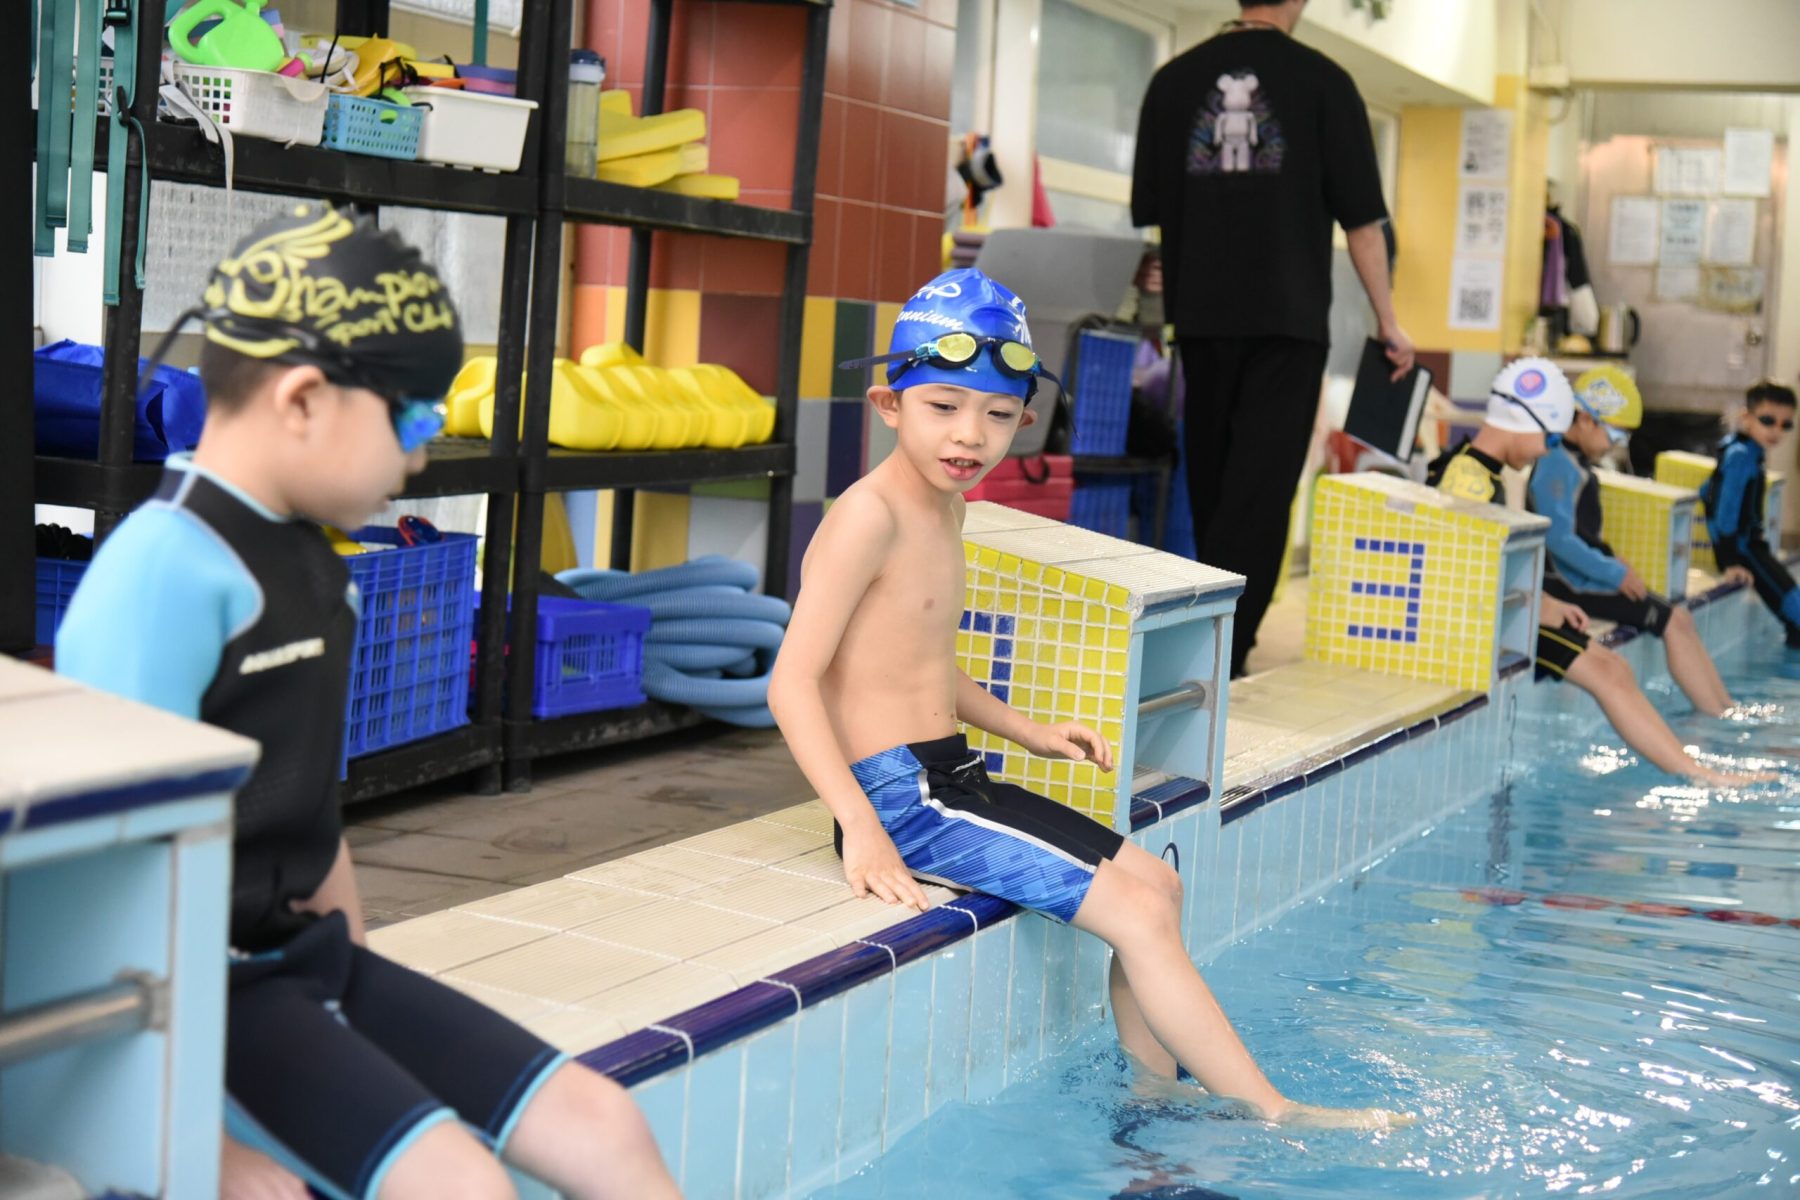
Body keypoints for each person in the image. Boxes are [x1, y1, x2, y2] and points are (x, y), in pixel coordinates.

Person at [57, 205, 680, 1200]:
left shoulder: (315, 565)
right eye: (415, 420)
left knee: (606, 1127)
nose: (420, 459)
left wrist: (358, 1000)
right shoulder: (162, 575)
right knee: (462, 1188)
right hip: (183, 997)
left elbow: (309, 815)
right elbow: (86, 892)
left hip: (301, 964)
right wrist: (189, 1147)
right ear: (305, 399)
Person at [769, 267, 1408, 1131]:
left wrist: (1026, 730)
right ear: (890, 404)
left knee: (1158, 886)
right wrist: (864, 829)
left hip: (951, 777)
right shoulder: (868, 517)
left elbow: (915, 661)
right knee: (1137, 912)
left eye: (998, 415)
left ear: (1025, 420)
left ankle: (1152, 1095)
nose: (970, 436)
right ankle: (1269, 1111)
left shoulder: (947, 510)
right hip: (900, 799)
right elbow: (794, 682)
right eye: (944, 407)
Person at [1130, 0, 1414, 678]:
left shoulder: (1172, 82)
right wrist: (1387, 319)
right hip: (1288, 322)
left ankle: (1204, 646)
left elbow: (1154, 217)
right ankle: (1220, 653)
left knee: (1213, 486)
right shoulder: (1324, 82)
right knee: (1260, 494)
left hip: (1200, 320)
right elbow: (1364, 223)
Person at [1427, 360, 1764, 787]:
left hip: (1510, 612)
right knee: (1610, 673)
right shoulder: (1469, 483)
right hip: (1491, 624)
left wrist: (1542, 602)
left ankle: (1697, 770)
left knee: (1614, 668)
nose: (1545, 451)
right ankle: (1699, 774)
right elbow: (1464, 576)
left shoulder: (1476, 472)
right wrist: (1539, 606)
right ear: (1524, 421)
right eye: (1549, 438)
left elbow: (1486, 562)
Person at [1526, 371, 1737, 716]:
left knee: (1680, 618)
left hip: (1581, 578)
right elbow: (1558, 539)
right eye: (1614, 433)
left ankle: (1724, 707)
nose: (1615, 444)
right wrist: (1614, 573)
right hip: (1566, 586)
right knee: (1671, 621)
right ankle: (1714, 715)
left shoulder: (1571, 460)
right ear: (1585, 419)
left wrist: (1613, 559)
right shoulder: (1555, 462)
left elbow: (1580, 532)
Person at [1701, 380, 1800, 647]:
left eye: (1785, 424)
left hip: (1751, 547)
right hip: (1746, 550)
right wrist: (1730, 561)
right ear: (1747, 417)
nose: (1776, 431)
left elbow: (1706, 492)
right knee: (1796, 610)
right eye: (1768, 420)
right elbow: (1724, 513)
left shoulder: (1744, 450)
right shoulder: (1741, 455)